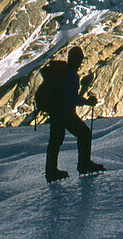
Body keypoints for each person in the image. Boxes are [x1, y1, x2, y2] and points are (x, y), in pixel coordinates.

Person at [45, 46, 104, 182]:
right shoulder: (71, 75)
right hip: (65, 112)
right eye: (79, 60)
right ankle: (84, 164)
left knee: (55, 142)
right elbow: (71, 97)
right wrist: (86, 102)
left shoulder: (63, 73)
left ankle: (51, 171)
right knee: (84, 134)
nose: (80, 63)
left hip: (56, 112)